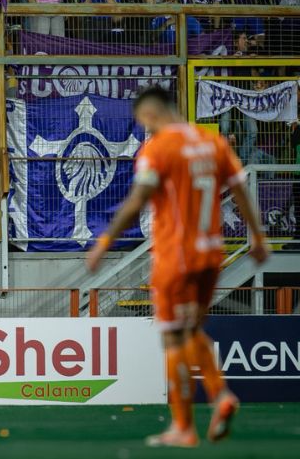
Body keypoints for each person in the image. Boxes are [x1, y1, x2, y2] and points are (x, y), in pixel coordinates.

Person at [86, 86, 270, 448]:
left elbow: (137, 200)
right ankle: (220, 395)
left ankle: (184, 426)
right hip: (212, 254)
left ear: (150, 115)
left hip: (176, 256)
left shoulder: (158, 148)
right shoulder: (212, 142)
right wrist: (259, 237)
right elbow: (241, 189)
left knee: (172, 337)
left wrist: (104, 242)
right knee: (192, 330)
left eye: (143, 122)